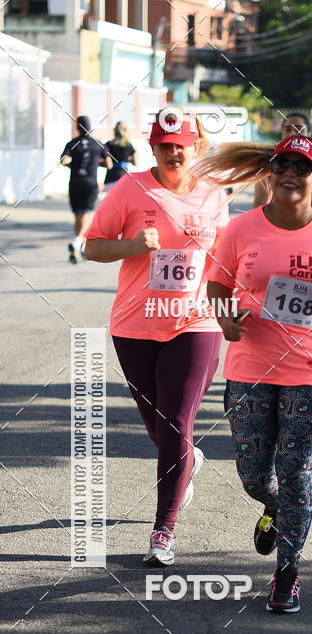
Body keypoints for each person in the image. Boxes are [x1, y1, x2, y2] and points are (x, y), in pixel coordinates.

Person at [197, 135, 312, 613]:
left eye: (302, 167)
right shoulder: (241, 228)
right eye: (282, 165)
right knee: (255, 476)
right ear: (270, 175)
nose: (291, 173)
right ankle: (274, 507)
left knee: (295, 469)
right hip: (251, 366)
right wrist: (225, 320)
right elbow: (217, 284)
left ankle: (287, 574)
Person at [85, 110, 229, 566]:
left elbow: (225, 258)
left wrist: (235, 306)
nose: (172, 153)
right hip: (135, 324)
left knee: (175, 424)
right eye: (164, 146)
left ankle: (163, 530)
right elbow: (92, 246)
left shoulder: (213, 193)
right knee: (159, 428)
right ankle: (188, 459)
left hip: (196, 322)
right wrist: (131, 246)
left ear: (194, 147)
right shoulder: (130, 188)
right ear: (153, 148)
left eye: (179, 146)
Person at [60, 115, 112, 264]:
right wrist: (96, 164)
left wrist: (73, 165)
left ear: (77, 127)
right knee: (87, 216)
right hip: (90, 184)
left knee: (78, 216)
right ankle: (77, 241)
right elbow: (109, 164)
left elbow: (63, 160)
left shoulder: (72, 143)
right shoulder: (98, 144)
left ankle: (81, 247)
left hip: (75, 183)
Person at [254, 113, 312, 207]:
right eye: (288, 129)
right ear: (282, 133)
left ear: (309, 133)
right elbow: (259, 206)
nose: (292, 133)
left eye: (299, 129)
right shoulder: (269, 162)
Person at [103, 121, 136, 192]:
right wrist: (127, 159)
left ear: (115, 131)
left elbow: (106, 162)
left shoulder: (109, 144)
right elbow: (135, 163)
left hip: (111, 178)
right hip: (124, 177)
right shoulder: (129, 145)